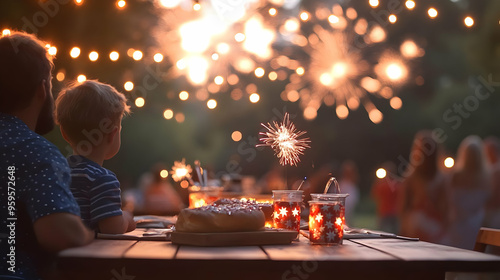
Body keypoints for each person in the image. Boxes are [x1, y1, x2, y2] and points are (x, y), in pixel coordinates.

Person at [0, 31, 94, 279]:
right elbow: (62, 234)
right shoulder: (32, 150)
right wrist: (89, 232)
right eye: (50, 83)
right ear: (43, 89)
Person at [55, 80, 136, 234]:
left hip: (61, 253)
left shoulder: (56, 172)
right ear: (113, 135)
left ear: (64, 134)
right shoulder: (102, 179)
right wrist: (127, 218)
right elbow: (112, 228)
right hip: (90, 255)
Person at [399, 131, 449, 242]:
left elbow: (403, 208)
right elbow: (446, 211)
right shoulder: (442, 178)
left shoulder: (441, 179)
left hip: (420, 228)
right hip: (430, 229)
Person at [443, 136, 491, 250]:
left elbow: (448, 200)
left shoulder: (456, 175)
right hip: (473, 224)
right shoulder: (486, 178)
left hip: (461, 223)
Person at [371, 162, 401, 234]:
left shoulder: (381, 184)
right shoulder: (398, 184)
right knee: (395, 234)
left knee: (382, 234)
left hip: (384, 212)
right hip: (394, 212)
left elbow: (373, 195)